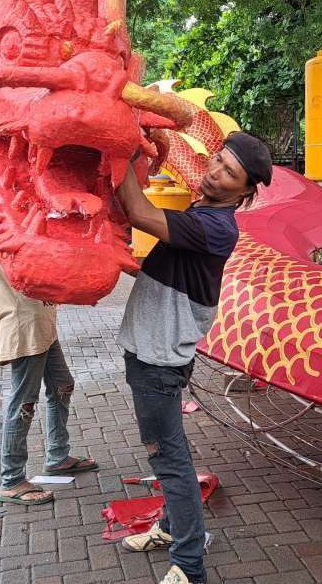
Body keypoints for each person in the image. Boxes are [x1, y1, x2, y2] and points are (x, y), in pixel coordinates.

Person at [114, 132, 273, 584]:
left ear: (245, 191)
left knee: (168, 458)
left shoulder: (216, 227)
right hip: (154, 351)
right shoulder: (201, 211)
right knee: (173, 454)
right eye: (218, 160)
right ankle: (171, 527)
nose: (216, 171)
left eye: (230, 173)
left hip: (159, 359)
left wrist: (118, 149)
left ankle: (189, 564)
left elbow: (138, 212)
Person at [0, 256, 97, 506]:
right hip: (22, 320)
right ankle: (11, 480)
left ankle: (57, 456)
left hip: (40, 316)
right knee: (24, 402)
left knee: (62, 386)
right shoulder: (1, 221)